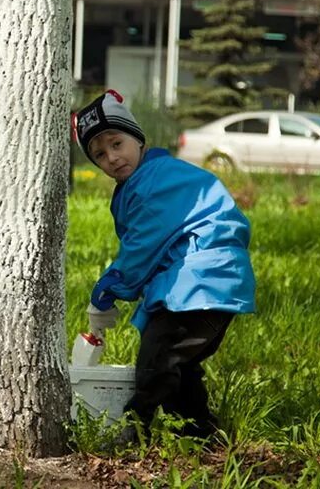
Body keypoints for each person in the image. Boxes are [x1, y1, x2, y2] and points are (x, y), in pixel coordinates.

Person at [72, 90, 256, 439]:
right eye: (98, 153)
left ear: (137, 138)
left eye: (116, 143)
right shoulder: (150, 178)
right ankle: (201, 434)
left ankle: (133, 427)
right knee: (179, 366)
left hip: (202, 279)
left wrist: (107, 291)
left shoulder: (152, 182)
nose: (111, 157)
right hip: (207, 279)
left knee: (157, 361)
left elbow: (142, 246)